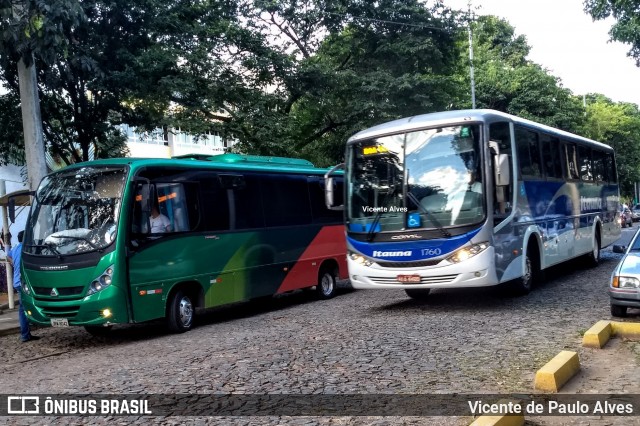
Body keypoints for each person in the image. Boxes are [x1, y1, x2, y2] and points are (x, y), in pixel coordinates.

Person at [7, 231, 39, 343]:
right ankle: (25, 334)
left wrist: (14, 263)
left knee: (23, 308)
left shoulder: (15, 248)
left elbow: (8, 256)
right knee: (24, 309)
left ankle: (27, 333)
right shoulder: (26, 249)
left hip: (17, 282)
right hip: (23, 283)